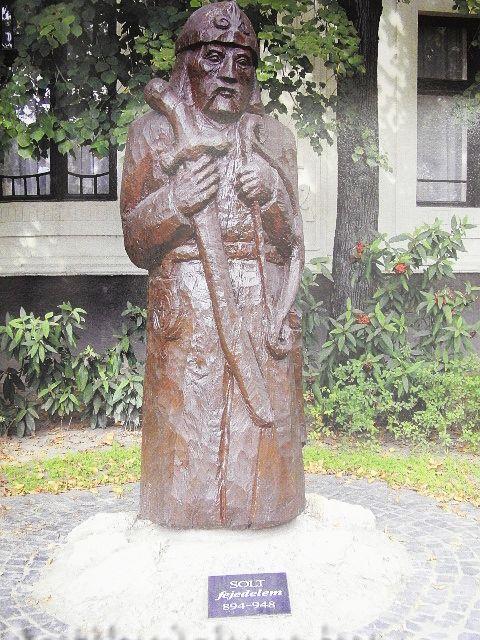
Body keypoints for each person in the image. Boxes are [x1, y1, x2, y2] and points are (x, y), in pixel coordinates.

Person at [120, 0, 305, 529]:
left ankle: (265, 512)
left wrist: (273, 196)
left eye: (243, 61)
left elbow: (294, 243)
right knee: (189, 444)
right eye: (214, 57)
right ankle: (184, 515)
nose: (229, 72)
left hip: (262, 309)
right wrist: (175, 202)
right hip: (188, 314)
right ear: (188, 64)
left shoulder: (274, 139)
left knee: (261, 457)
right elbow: (135, 241)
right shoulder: (152, 134)